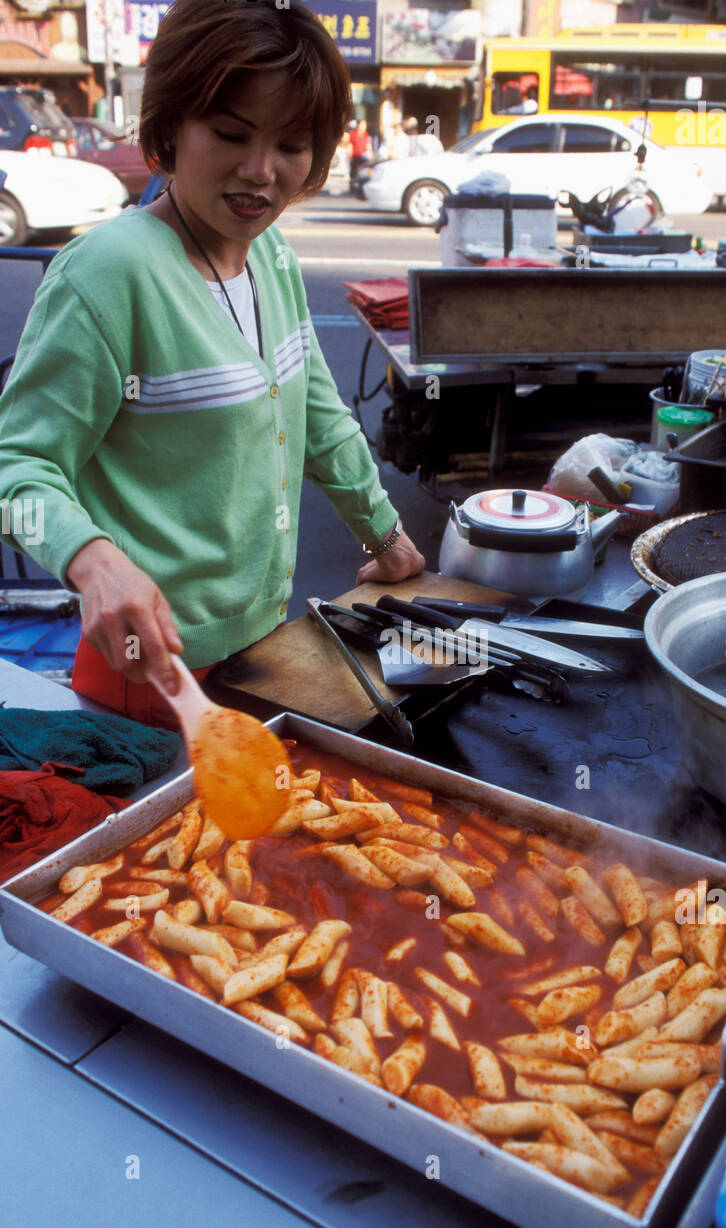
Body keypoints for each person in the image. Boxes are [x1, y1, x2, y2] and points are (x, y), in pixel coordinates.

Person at [0, 0, 424, 731]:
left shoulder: (274, 257)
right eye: (230, 134)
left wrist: (385, 538)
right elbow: (17, 469)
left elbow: (317, 415)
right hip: (147, 672)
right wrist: (93, 560)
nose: (261, 172)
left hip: (266, 647)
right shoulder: (108, 273)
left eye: (292, 145)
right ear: (169, 128)